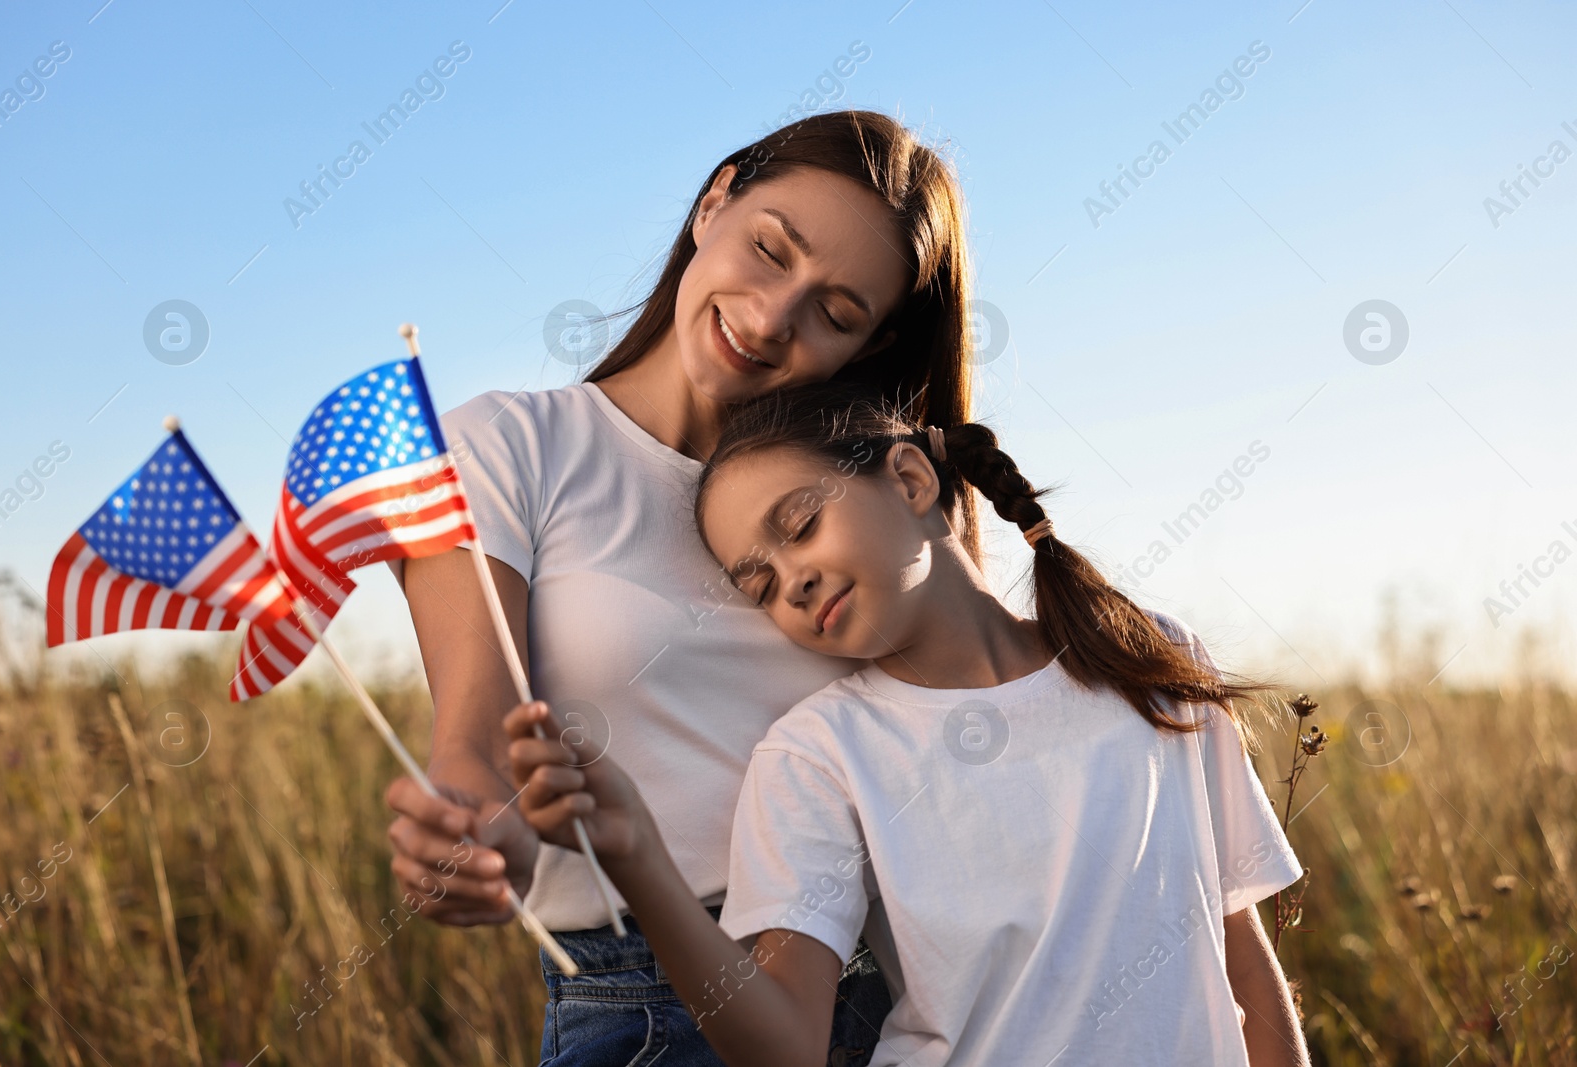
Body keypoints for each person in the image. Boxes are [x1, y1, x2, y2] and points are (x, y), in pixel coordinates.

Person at [383, 110, 985, 1065]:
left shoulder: (878, 498)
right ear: (714, 203)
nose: (771, 315)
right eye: (768, 248)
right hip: (657, 1011)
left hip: (921, 993)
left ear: (868, 347)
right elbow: (478, 744)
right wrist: (474, 840)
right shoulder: (509, 447)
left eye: (835, 313)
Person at [504, 379, 1314, 1065]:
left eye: (800, 525)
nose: (792, 579)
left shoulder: (1148, 655)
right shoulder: (821, 752)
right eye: (758, 584)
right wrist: (638, 855)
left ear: (911, 481)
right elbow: (784, 1043)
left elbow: (1235, 937)